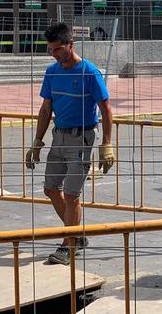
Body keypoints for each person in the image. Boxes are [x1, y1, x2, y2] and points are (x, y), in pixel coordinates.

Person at [24, 23, 116, 265]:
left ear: (71, 45)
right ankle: (75, 234)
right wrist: (37, 141)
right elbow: (46, 109)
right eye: (51, 50)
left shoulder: (89, 72)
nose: (55, 54)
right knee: (51, 189)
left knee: (72, 195)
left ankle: (68, 244)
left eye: (58, 49)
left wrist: (106, 144)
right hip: (59, 137)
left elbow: (106, 108)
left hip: (82, 138)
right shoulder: (52, 72)